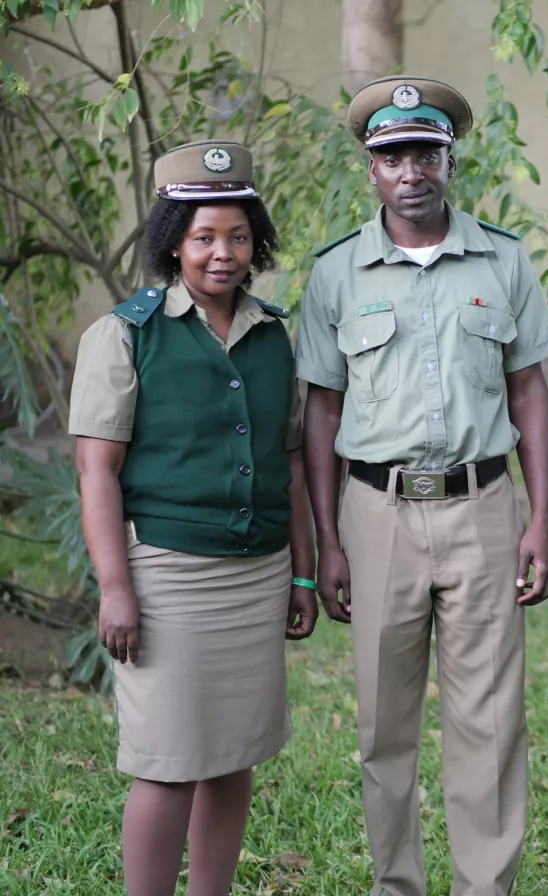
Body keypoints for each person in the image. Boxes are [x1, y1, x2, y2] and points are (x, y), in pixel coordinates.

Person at [295, 77, 548, 896]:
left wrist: (541, 520)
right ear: (369, 170)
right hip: (375, 515)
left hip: (483, 507)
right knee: (384, 722)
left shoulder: (503, 259)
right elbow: (320, 411)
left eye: (424, 152)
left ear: (450, 159)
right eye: (391, 156)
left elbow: (531, 395)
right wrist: (328, 541)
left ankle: (486, 886)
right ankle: (396, 885)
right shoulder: (337, 273)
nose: (410, 170)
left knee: (489, 719)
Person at [70, 140, 317, 896]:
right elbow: (96, 470)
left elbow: (295, 464)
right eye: (204, 236)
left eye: (237, 236)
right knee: (168, 765)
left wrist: (301, 574)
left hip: (257, 574)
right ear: (172, 239)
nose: (222, 252)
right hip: (168, 576)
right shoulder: (124, 335)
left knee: (233, 753)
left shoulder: (275, 335)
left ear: (257, 242)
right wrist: (116, 586)